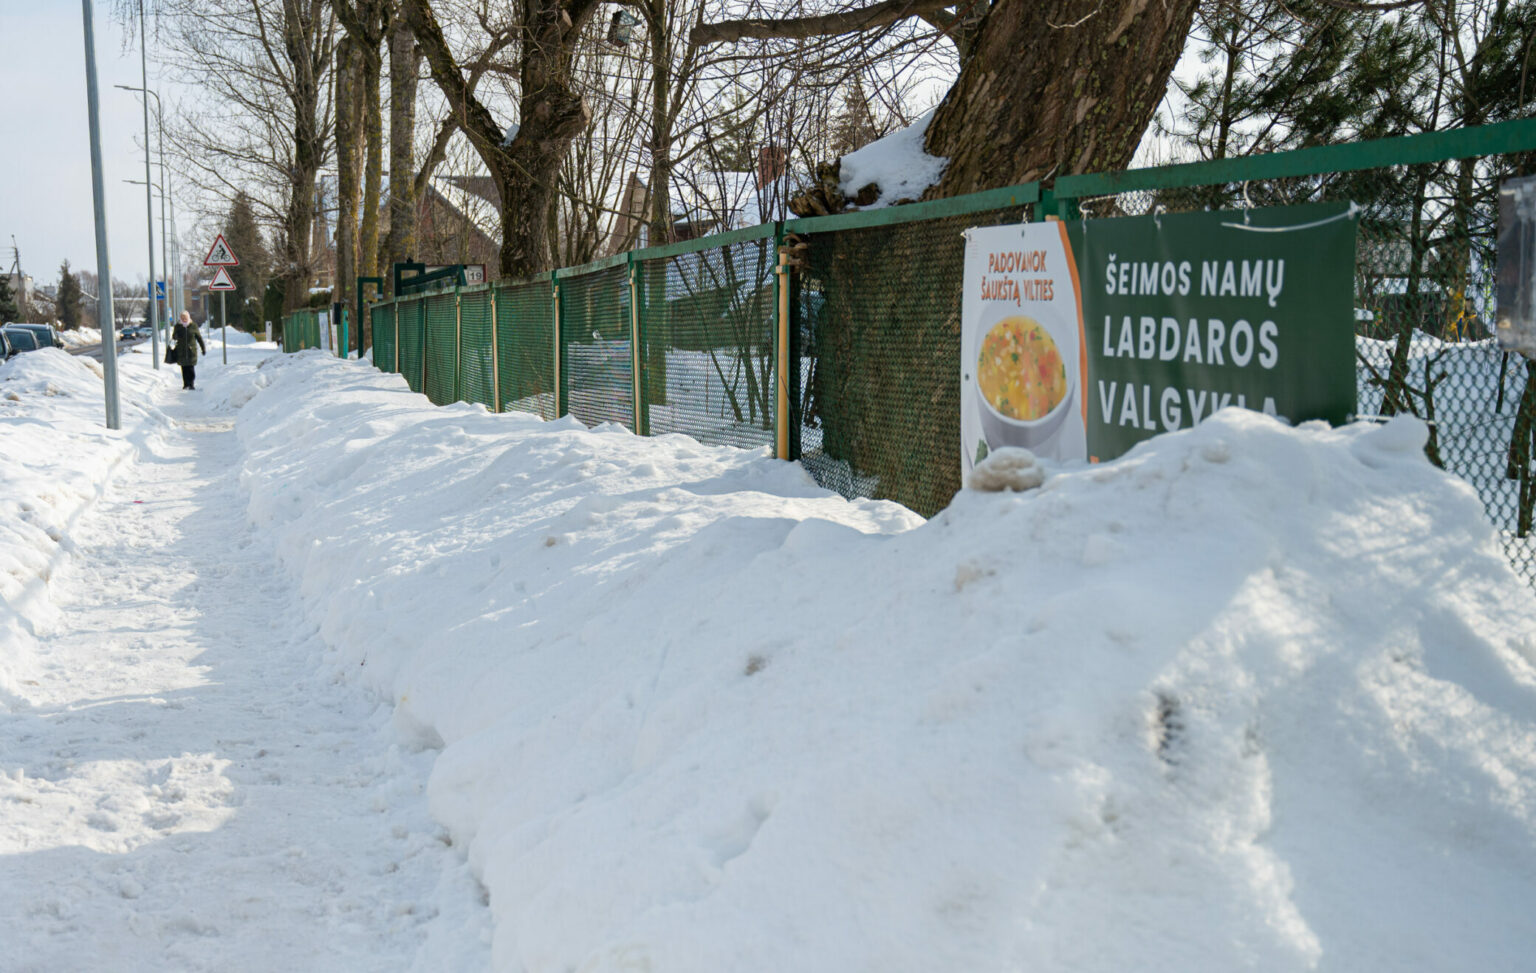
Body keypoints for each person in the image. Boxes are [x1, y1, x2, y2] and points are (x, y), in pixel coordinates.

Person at [171, 311, 208, 390]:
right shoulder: (178, 326)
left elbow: (199, 338)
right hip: (181, 350)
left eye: (185, 318)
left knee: (191, 368)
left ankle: (191, 384)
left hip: (191, 351)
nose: (184, 319)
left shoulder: (193, 326)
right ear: (180, 318)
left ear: (188, 318)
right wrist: (176, 335)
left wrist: (203, 348)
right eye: (182, 318)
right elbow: (174, 337)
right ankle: (186, 384)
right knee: (184, 368)